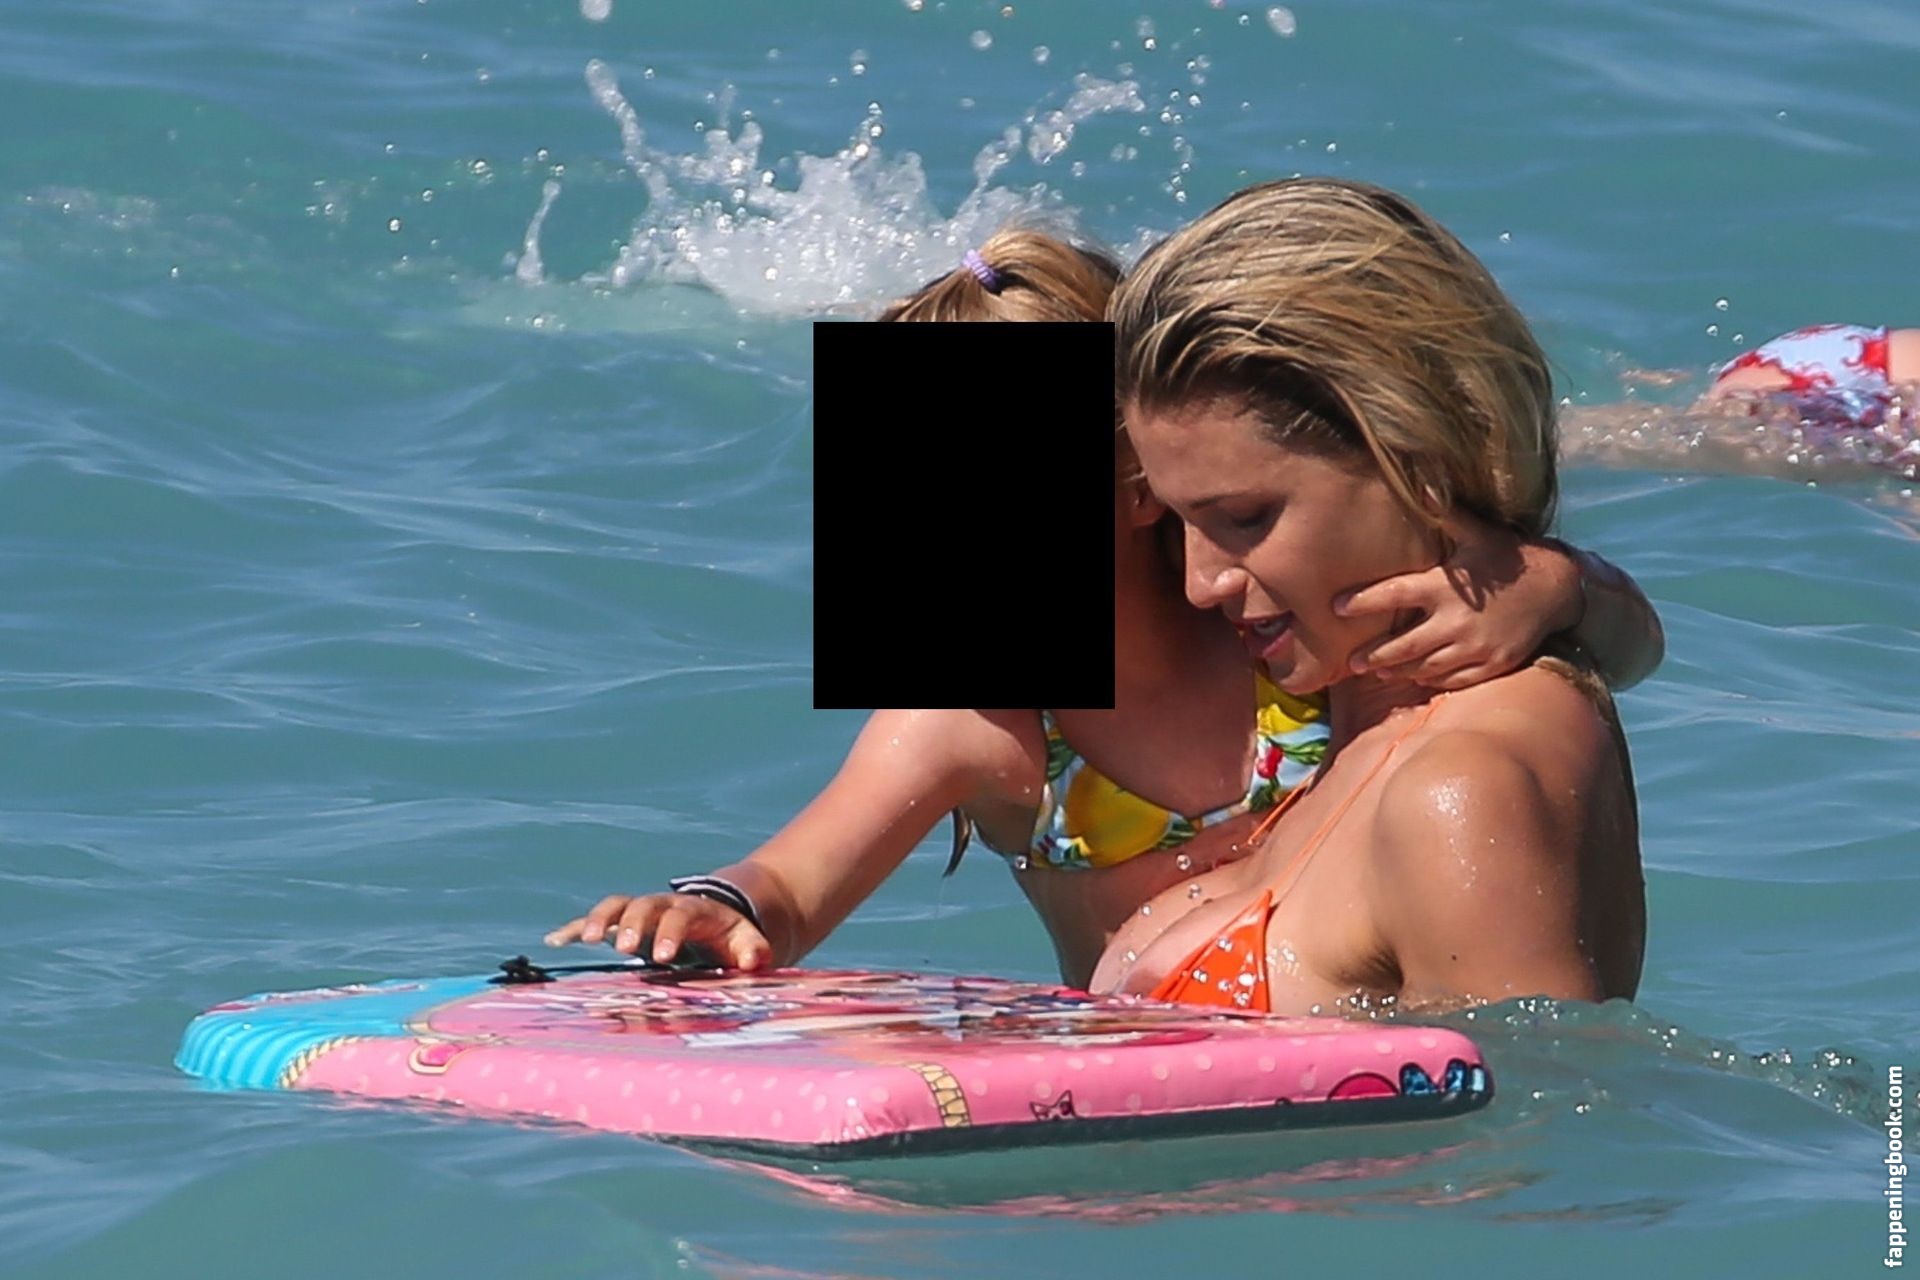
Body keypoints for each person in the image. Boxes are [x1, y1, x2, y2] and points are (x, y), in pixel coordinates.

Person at [545, 226, 1662, 991]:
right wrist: (714, 905)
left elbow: (1606, 658)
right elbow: (790, 881)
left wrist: (1556, 584)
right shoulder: (984, 719)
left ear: (1136, 489)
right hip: (1144, 1076)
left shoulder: (1283, 634)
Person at [1102, 177, 1646, 1015]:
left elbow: (1537, 1098)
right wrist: (1573, 586)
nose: (1199, 583)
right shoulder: (1347, 710)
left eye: (1246, 518)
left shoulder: (1458, 791)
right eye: (1178, 523)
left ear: (1414, 456)